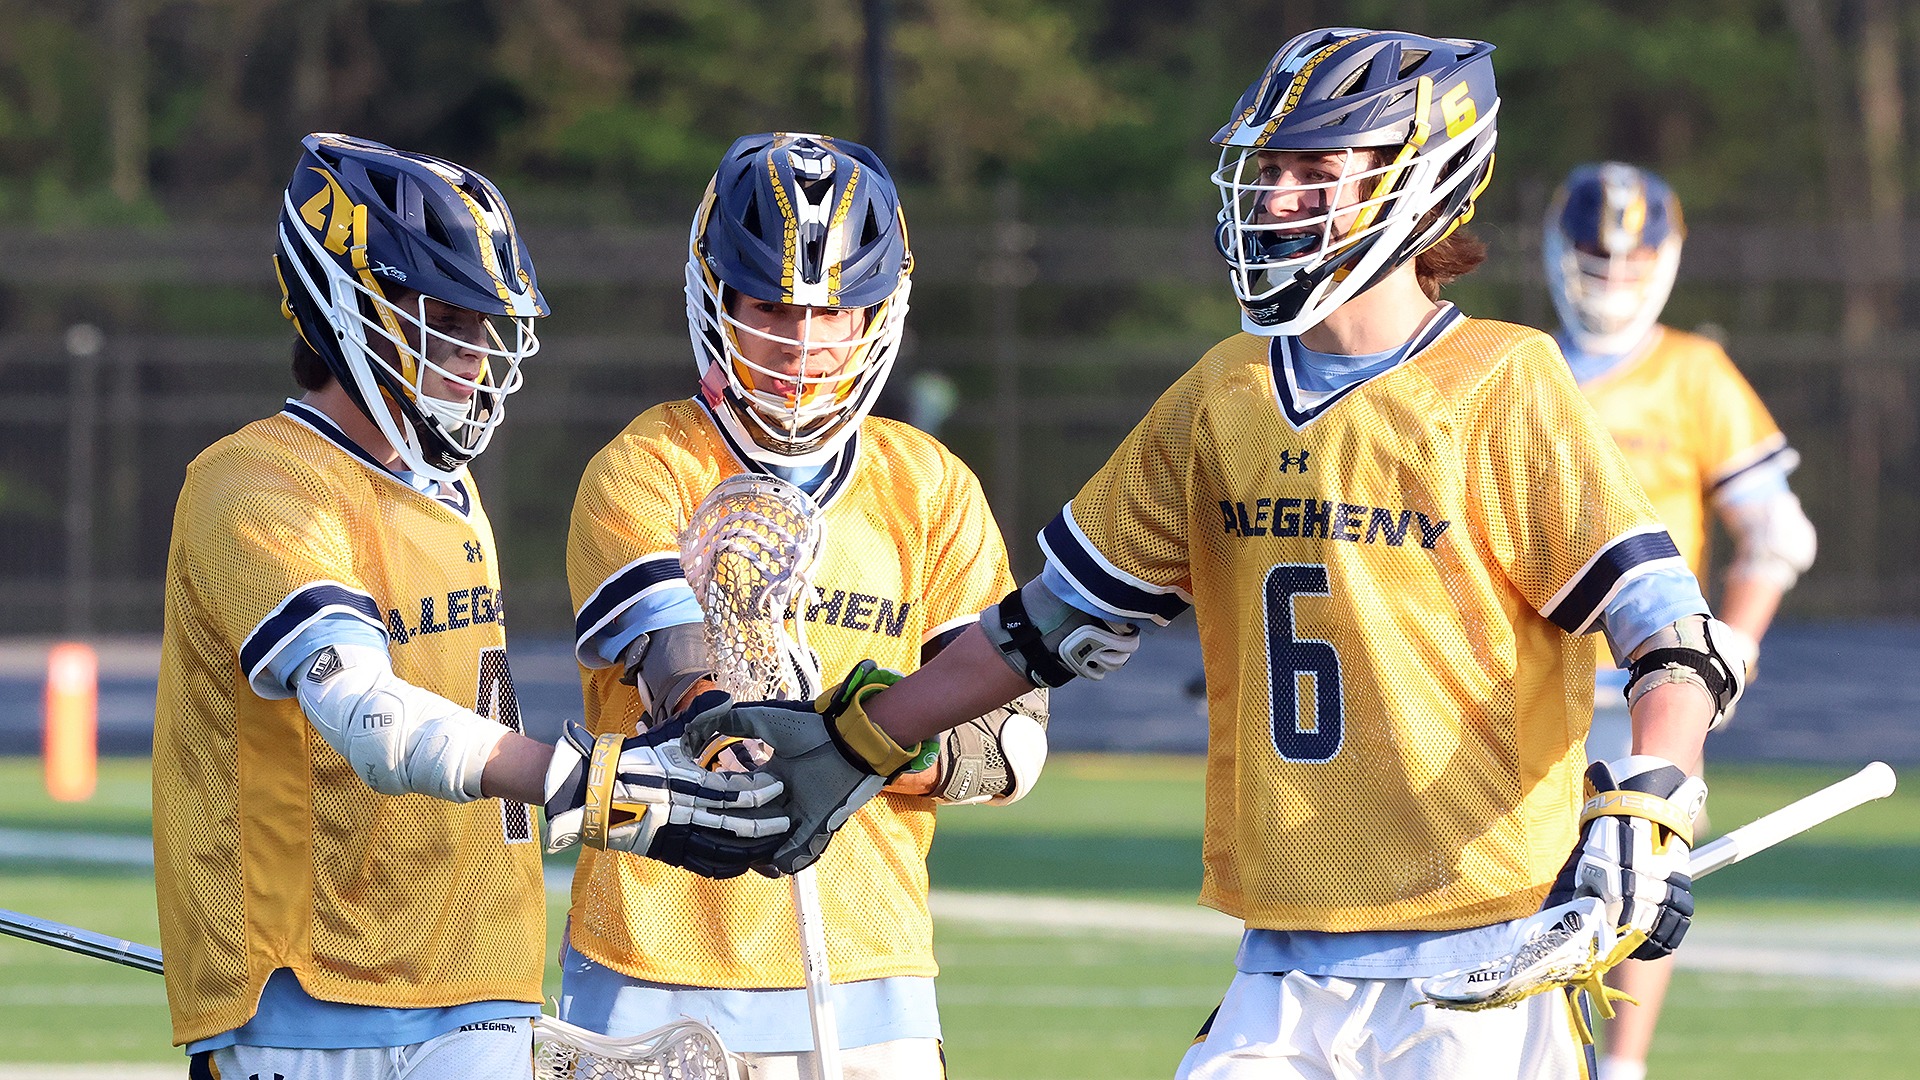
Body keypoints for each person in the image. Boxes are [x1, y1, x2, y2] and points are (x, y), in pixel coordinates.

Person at [685, 30, 1753, 1080]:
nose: (1278, 197)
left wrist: (1656, 793)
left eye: (1314, 171)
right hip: (1282, 968)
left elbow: (1670, 635)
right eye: (1270, 168)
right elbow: (1041, 629)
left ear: (1421, 180)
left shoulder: (1503, 381)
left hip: (1483, 963)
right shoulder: (1221, 395)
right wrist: (860, 738)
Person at [151, 133, 788, 1080]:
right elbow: (372, 722)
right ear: (348, 308)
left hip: (477, 981)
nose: (477, 350)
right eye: (448, 317)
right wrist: (604, 783)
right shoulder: (256, 484)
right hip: (316, 997)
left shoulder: (448, 491)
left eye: (486, 323)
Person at [557, 131, 1048, 1078]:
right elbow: (679, 672)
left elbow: (1011, 746)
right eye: (772, 307)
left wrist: (868, 741)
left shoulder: (929, 486)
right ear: (717, 298)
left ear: (882, 312)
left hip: (875, 982)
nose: (806, 344)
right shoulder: (648, 466)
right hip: (652, 971)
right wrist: (735, 729)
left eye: (838, 312)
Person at [1545, 162, 1817, 1080]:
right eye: (1597, 254)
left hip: (1651, 680)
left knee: (1641, 879)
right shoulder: (1520, 366)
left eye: (1632, 257)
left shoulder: (1694, 372)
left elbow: (1777, 532)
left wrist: (1730, 643)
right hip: (1526, 678)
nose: (1613, 276)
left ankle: (1622, 1067)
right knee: (1516, 880)